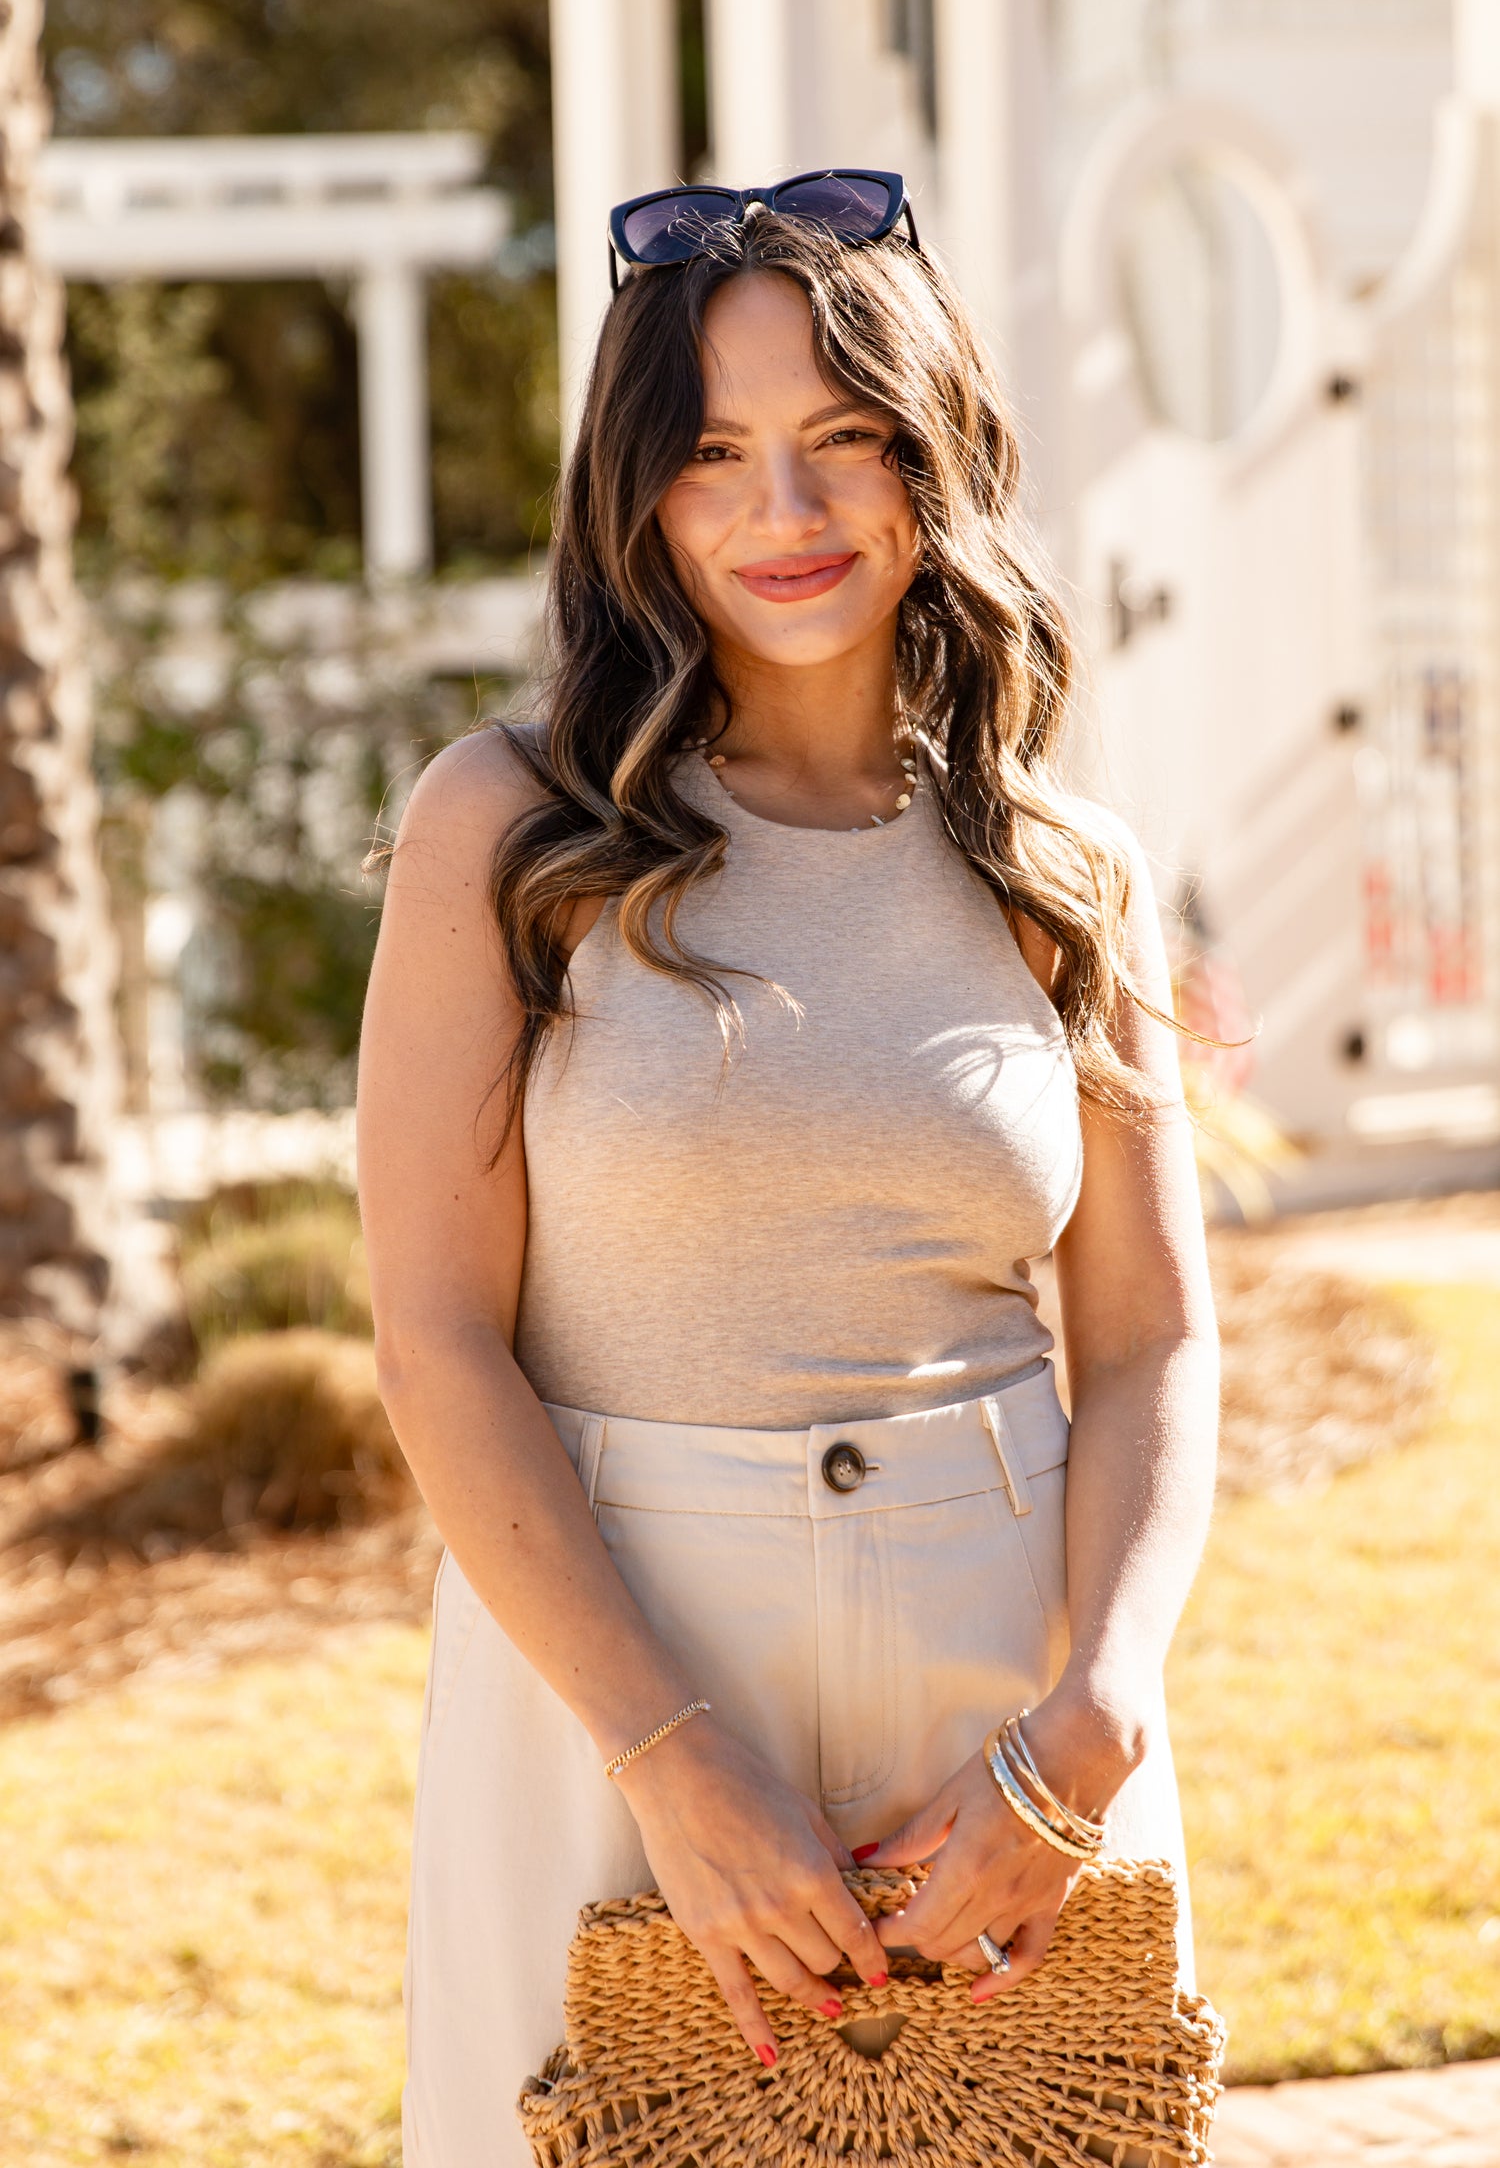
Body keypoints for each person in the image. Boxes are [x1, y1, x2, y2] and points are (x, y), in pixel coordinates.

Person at [356, 172, 1219, 2168]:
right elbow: (434, 1338)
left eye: (844, 439)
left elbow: (1154, 1341)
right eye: (714, 455)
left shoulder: (1063, 866)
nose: (787, 510)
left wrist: (1092, 1723)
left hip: (1003, 1711)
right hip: (609, 1678)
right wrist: (670, 1760)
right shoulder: (509, 825)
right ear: (637, 496)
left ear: (932, 456)